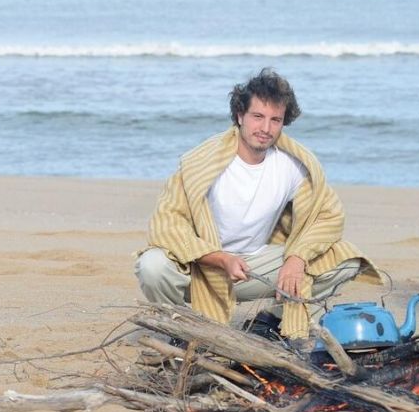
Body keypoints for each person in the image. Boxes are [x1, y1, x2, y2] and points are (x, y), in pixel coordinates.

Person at [136, 68, 381, 341]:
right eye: (258, 117)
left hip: (254, 266)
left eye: (275, 120)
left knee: (344, 260)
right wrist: (220, 258)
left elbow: (329, 216)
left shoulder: (294, 164)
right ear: (240, 115)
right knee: (153, 265)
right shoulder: (203, 162)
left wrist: (296, 258)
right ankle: (180, 329)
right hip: (200, 268)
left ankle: (270, 322)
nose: (265, 129)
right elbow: (166, 225)